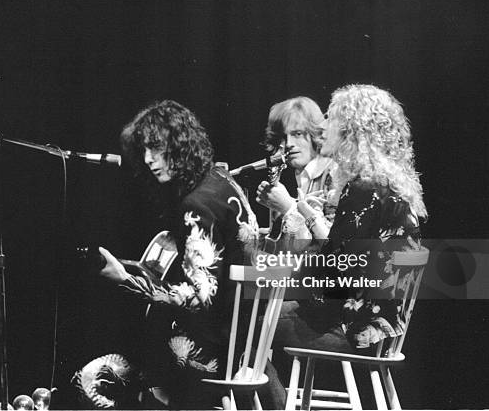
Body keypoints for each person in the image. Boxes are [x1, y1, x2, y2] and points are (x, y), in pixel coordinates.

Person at [93, 100, 285, 409]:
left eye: (156, 149)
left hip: (219, 350)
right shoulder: (222, 181)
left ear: (179, 146)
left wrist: (126, 280)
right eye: (143, 151)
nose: (148, 160)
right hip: (247, 338)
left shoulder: (194, 205)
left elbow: (201, 298)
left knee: (113, 361)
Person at [276, 84, 427, 353]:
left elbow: (331, 273)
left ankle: (269, 397)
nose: (323, 128)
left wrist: (298, 220)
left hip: (355, 329)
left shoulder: (363, 190)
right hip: (385, 331)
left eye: (331, 119)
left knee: (247, 324)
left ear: (351, 131)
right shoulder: (389, 188)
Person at [256, 97, 337, 243]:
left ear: (316, 133)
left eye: (297, 134)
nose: (288, 144)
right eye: (282, 137)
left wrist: (288, 207)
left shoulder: (334, 174)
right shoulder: (302, 173)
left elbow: (332, 246)